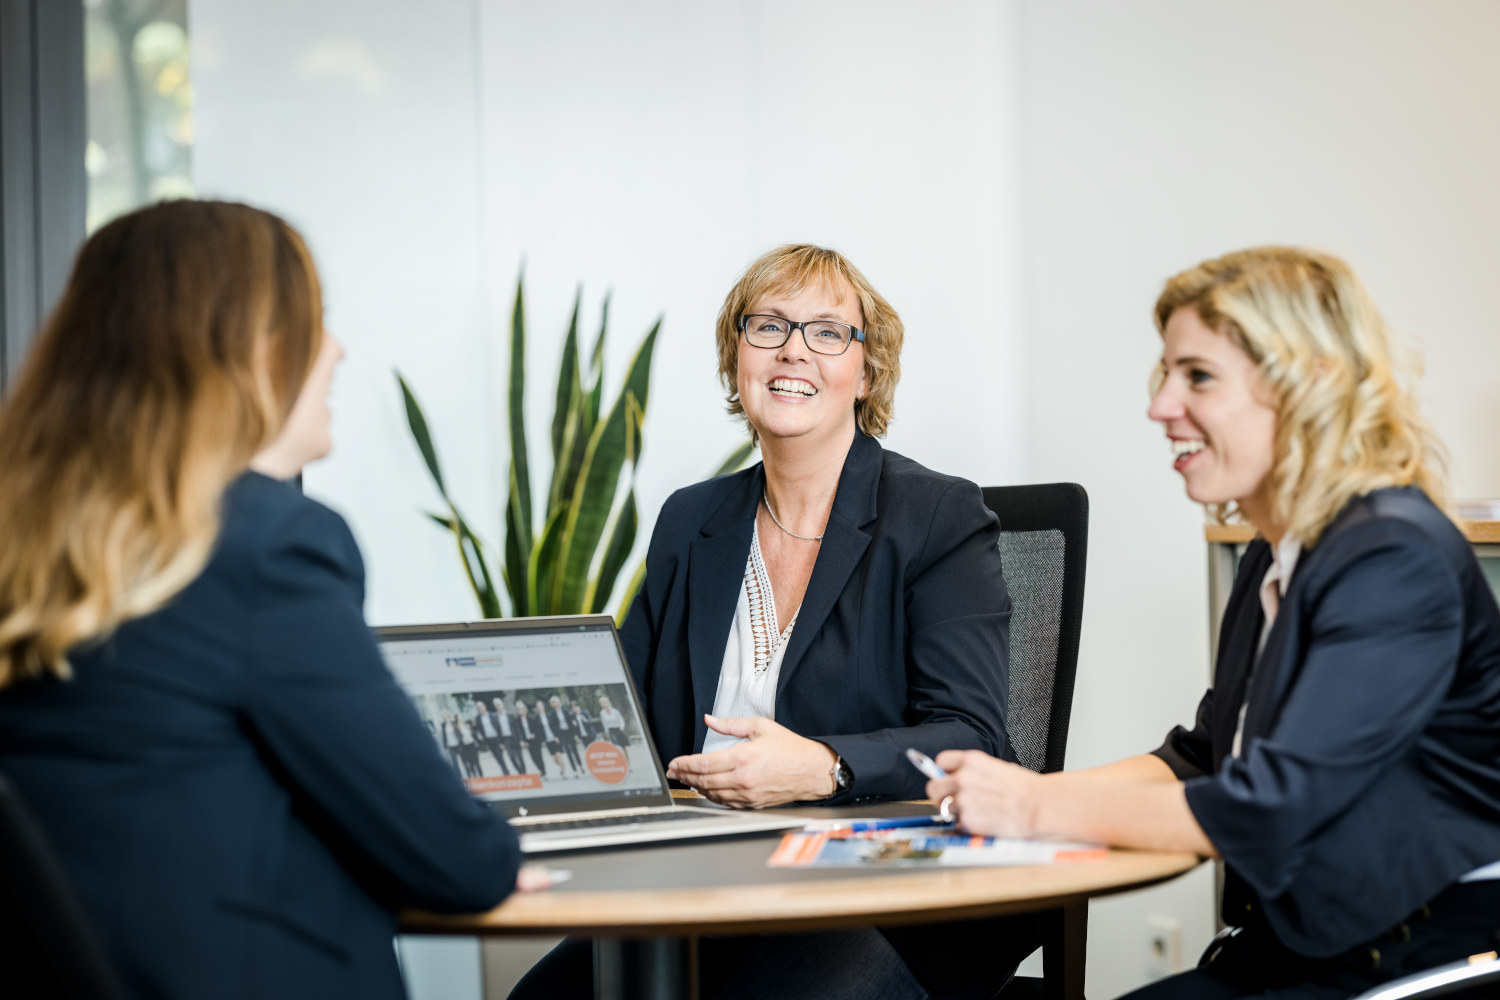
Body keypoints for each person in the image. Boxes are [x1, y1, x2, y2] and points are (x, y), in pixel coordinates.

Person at [926, 246, 1500, 999]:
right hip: (1300, 943)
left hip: (1418, 955)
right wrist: (1009, 788)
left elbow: (1267, 809)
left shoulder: (1394, 556)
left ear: (1311, 384)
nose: (1160, 405)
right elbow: (1203, 756)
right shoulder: (1275, 547)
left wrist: (1033, 806)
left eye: (1197, 376)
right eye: (1166, 373)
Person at [0, 200, 535, 1000]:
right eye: (315, 322)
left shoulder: (33, 542)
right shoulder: (268, 544)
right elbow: (461, 860)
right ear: (253, 351)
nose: (338, 349)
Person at [514, 244, 1026, 1000]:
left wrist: (823, 766)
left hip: (892, 889)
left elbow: (970, 734)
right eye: (769, 326)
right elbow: (621, 720)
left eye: (827, 332)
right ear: (737, 356)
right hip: (718, 875)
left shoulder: (936, 516)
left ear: (867, 370)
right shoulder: (693, 520)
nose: (793, 349)